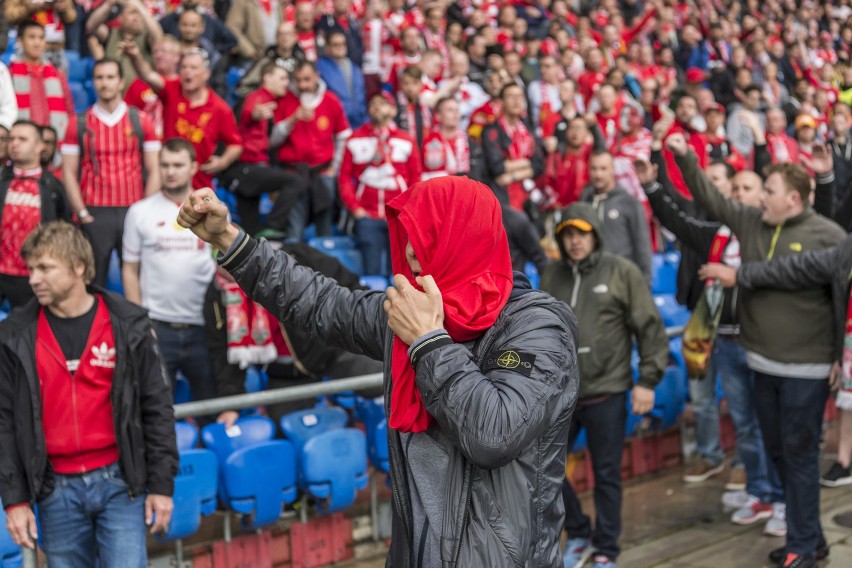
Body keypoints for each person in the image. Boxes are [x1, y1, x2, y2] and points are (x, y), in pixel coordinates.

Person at [177, 175, 579, 568]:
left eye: (427, 237)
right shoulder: (410, 312)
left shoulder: (536, 326)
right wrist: (230, 240)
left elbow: (494, 434)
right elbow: (321, 302)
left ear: (464, 237)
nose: (411, 257)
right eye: (409, 240)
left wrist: (430, 342)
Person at [667, 132, 845, 568]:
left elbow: (841, 299)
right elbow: (710, 197)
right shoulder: (750, 223)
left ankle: (801, 545)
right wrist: (685, 155)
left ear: (795, 199)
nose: (760, 197)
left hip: (806, 367)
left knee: (800, 454)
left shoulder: (828, 235)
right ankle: (812, 538)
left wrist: (839, 355)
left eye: (769, 191)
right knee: (779, 451)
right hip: (760, 361)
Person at [0, 221, 178, 566]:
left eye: (45, 268)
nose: (34, 279)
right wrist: (15, 501)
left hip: (120, 483)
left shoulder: (129, 325)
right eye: (31, 269)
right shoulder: (13, 336)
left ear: (78, 267)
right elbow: (4, 422)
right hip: (55, 490)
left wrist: (161, 486)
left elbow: (157, 408)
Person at [637, 155, 787, 535]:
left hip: (763, 343)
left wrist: (735, 276)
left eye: (747, 188)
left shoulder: (773, 233)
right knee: (745, 423)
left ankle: (783, 498)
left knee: (771, 423)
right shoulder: (719, 232)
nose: (738, 194)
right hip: (725, 341)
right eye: (734, 188)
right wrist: (653, 187)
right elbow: (679, 223)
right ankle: (760, 491)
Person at [540, 201, 668, 568]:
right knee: (542, 470)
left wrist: (647, 380)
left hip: (607, 390)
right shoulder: (552, 276)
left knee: (607, 474)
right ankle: (579, 532)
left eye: (581, 233)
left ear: (595, 234)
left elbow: (650, 327)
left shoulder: (621, 271)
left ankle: (607, 548)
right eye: (567, 235)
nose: (575, 242)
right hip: (559, 394)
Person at [122, 138, 218, 407]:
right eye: (164, 165)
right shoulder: (140, 212)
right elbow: (129, 270)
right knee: (156, 409)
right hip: (157, 327)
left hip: (203, 326)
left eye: (178, 165)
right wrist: (139, 321)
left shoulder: (213, 211)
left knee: (210, 406)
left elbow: (223, 267)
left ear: (193, 167)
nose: (170, 171)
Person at [61, 58, 161, 288]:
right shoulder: (78, 123)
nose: (104, 83)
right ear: (93, 82)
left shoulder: (141, 120)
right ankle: (96, 325)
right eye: (99, 77)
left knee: (139, 278)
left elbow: (155, 169)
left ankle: (138, 323)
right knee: (92, 281)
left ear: (120, 82)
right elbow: (68, 172)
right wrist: (83, 213)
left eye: (110, 77)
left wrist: (145, 211)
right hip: (95, 211)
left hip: (133, 210)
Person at [124, 42, 244, 190]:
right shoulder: (172, 90)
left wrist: (223, 162)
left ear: (206, 74)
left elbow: (236, 145)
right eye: (184, 67)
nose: (187, 72)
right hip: (165, 182)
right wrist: (136, 57)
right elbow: (148, 76)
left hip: (198, 185)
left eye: (193, 68)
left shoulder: (220, 108)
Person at [338, 92, 421, 276]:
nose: (376, 106)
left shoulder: (406, 140)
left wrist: (407, 209)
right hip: (367, 215)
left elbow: (416, 179)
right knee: (371, 271)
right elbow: (344, 178)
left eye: (382, 103)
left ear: (392, 110)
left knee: (401, 272)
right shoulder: (355, 138)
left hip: (399, 216)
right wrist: (356, 209)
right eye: (373, 103)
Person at [269, 60, 351, 239]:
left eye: (306, 79)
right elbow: (271, 140)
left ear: (317, 76)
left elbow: (343, 136)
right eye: (298, 80)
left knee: (325, 230)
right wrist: (292, 120)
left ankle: (325, 264)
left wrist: (334, 168)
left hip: (322, 172)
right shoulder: (286, 100)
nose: (302, 85)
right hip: (293, 174)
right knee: (294, 231)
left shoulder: (330, 100)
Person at [225, 60, 305, 237]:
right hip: (247, 168)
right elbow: (250, 113)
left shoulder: (268, 101)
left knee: (250, 232)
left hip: (247, 172)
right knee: (295, 181)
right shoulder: (257, 98)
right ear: (267, 78)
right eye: (283, 78)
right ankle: (272, 225)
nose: (286, 83)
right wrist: (256, 114)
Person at [0, 120, 70, 308]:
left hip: (33, 276)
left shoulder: (54, 187)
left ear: (40, 146)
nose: (14, 143)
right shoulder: (1, 179)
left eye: (22, 139)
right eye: (11, 138)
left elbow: (65, 230)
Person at [579, 150, 652, 284]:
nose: (598, 174)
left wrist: (644, 285)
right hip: (589, 280)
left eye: (603, 168)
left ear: (613, 169)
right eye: (594, 169)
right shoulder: (584, 202)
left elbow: (643, 247)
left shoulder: (630, 203)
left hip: (620, 281)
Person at [481, 83, 544, 210]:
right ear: (501, 102)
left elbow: (539, 165)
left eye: (520, 96)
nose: (516, 100)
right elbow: (497, 167)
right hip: (502, 197)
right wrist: (528, 163)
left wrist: (512, 176)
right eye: (511, 96)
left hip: (528, 197)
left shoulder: (528, 129)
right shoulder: (492, 130)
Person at [9, 21, 74, 140]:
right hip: (23, 140)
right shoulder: (10, 74)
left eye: (41, 38)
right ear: (20, 41)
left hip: (54, 141)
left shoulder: (57, 75)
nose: (37, 43)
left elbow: (69, 108)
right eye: (32, 37)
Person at [317, 29, 367, 129]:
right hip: (335, 123)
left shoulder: (355, 68)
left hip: (358, 122)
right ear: (327, 47)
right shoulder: (320, 67)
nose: (340, 47)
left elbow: (361, 95)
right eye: (335, 44)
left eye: (343, 44)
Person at [420, 97, 470, 180]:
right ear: (438, 116)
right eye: (450, 110)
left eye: (457, 110)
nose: (455, 114)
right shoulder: (428, 142)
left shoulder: (468, 141)